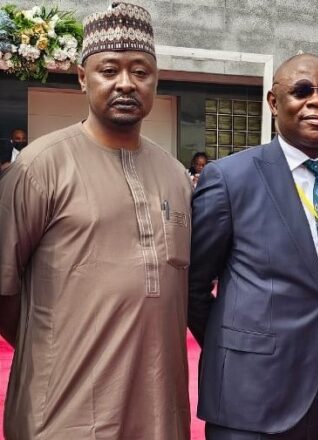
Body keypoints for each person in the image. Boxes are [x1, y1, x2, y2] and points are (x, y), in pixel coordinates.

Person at [0, 3, 192, 439]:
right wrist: (56, 344)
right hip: (63, 412)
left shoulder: (177, 176)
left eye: (140, 71)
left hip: (160, 413)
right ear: (83, 78)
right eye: (110, 70)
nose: (126, 83)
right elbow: (4, 291)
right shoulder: (40, 166)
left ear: (155, 79)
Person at [188, 53, 318, 440]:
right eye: (301, 91)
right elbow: (193, 284)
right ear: (274, 103)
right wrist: (237, 346)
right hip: (250, 397)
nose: (317, 101)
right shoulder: (229, 179)